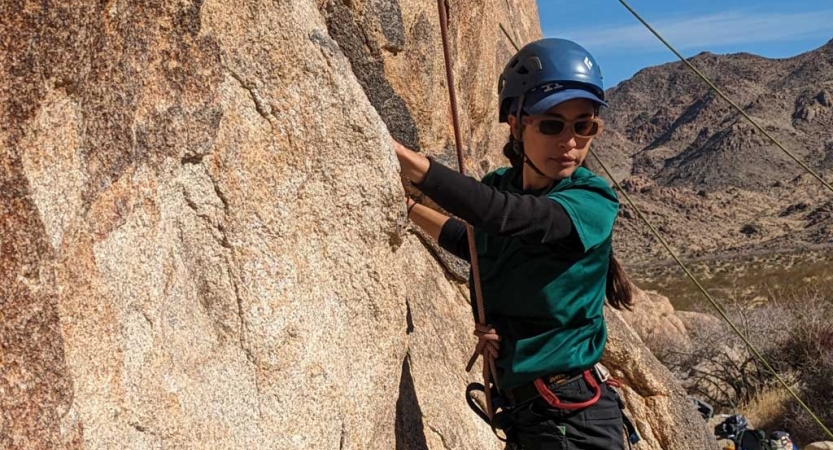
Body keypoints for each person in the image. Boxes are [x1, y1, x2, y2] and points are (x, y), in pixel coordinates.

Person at [393, 38, 636, 449]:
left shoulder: (591, 201)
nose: (571, 141)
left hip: (572, 419)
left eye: (584, 125)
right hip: (534, 416)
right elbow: (470, 238)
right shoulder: (499, 187)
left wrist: (406, 160)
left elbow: (502, 216)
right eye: (552, 124)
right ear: (516, 122)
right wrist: (406, 205)